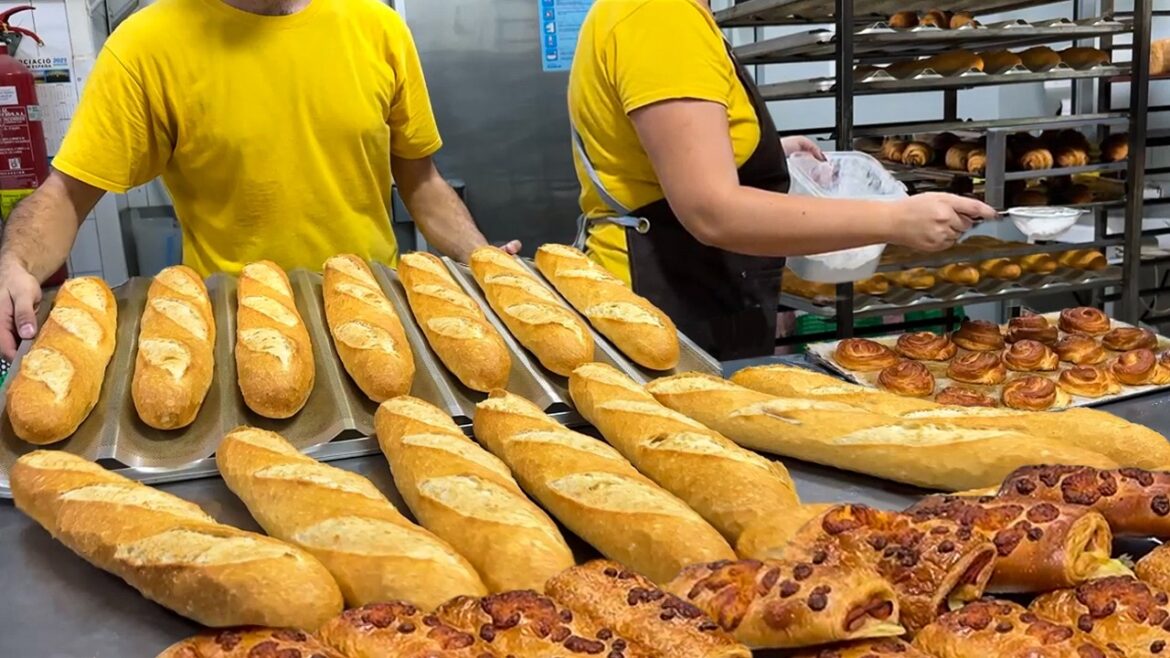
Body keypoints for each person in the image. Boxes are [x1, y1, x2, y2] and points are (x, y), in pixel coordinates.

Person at [0, 0, 512, 361]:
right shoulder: (144, 48)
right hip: (235, 332)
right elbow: (67, 195)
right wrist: (14, 263)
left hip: (376, 314)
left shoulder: (378, 26)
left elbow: (421, 179)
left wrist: (481, 259)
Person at [568, 0, 996, 359]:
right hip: (667, 314)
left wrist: (765, 152)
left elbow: (666, 150)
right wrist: (895, 221)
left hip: (694, 298)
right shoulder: (659, 17)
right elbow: (713, 212)